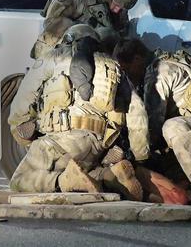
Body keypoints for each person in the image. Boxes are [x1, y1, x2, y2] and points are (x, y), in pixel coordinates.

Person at [8, 25, 150, 200]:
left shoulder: (52, 58)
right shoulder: (113, 66)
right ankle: (109, 175)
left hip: (60, 141)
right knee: (87, 169)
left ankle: (65, 181)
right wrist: (140, 155)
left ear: (67, 39)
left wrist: (23, 136)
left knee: (19, 180)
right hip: (98, 146)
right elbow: (137, 111)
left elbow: (21, 105)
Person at [113, 39, 191, 208]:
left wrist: (134, 153)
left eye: (127, 69)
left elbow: (152, 126)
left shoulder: (158, 75)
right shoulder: (163, 60)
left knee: (171, 128)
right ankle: (185, 186)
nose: (127, 76)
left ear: (137, 59)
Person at [31, 0, 140, 59]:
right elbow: (51, 30)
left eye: (121, 8)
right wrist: (92, 34)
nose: (117, 10)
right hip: (59, 56)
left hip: (93, 58)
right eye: (115, 5)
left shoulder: (119, 7)